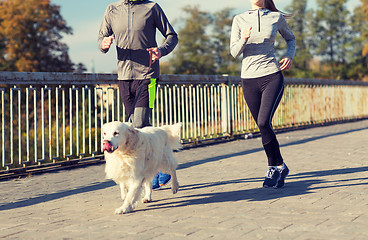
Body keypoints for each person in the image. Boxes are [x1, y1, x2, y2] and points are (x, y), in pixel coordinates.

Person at [98, 0, 178, 190]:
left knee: (140, 122)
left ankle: (156, 170)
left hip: (148, 75)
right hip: (124, 77)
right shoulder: (112, 9)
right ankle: (157, 162)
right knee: (135, 126)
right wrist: (104, 43)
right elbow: (101, 38)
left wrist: (161, 50)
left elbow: (172, 36)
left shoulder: (151, 8)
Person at [230, 0, 296, 188]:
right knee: (263, 127)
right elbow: (233, 52)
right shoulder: (239, 19)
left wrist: (289, 56)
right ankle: (280, 166)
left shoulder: (276, 17)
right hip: (248, 79)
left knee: (263, 122)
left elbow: (291, 38)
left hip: (272, 75)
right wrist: (243, 38)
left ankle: (272, 166)